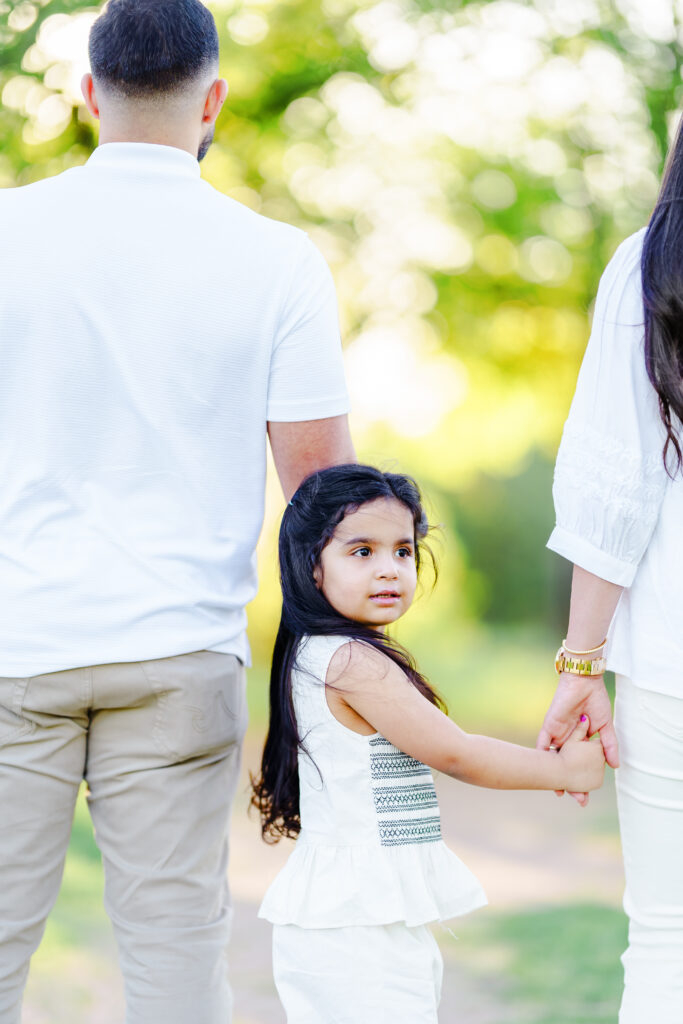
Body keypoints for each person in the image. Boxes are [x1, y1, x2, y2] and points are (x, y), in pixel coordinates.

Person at [0, 1, 354, 1021]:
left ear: (87, 96)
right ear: (213, 100)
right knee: (175, 960)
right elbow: (321, 494)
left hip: (17, 640)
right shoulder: (275, 259)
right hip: (178, 650)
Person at [251, 463, 605, 1023]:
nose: (389, 568)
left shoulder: (320, 652)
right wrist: (564, 770)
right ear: (311, 567)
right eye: (362, 551)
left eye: (403, 550)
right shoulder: (350, 662)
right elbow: (455, 752)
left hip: (357, 923)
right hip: (358, 933)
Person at [538, 124, 683, 1021]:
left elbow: (613, 486)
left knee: (665, 934)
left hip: (671, 654)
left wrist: (578, 664)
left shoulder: (650, 265)